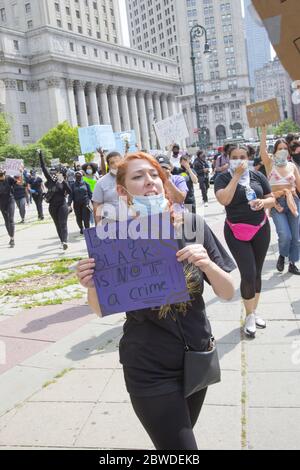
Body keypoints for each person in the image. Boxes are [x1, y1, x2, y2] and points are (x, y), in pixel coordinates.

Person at [76, 152, 236, 450]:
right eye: (138, 177)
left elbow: (228, 293)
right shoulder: (114, 240)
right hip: (148, 366)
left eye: (154, 175)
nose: (149, 182)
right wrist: (91, 285)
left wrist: (208, 265)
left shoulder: (192, 225)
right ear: (122, 193)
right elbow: (99, 310)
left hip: (196, 357)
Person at [215, 145, 276, 338]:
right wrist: (235, 176)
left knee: (257, 273)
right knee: (247, 273)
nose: (239, 159)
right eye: (234, 157)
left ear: (249, 157)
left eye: (242, 156)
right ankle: (248, 316)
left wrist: (263, 203)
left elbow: (272, 199)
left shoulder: (258, 176)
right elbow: (224, 199)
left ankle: (252, 312)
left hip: (260, 228)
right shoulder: (222, 178)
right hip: (235, 231)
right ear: (228, 158)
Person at [260, 126, 300, 275]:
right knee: (285, 235)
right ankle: (282, 255)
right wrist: (263, 132)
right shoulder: (270, 164)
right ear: (275, 151)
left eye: (285, 148)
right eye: (279, 148)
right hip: (277, 204)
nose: (282, 150)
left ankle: (292, 263)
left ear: (288, 151)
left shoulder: (292, 166)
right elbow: (262, 151)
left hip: (293, 202)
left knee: (296, 238)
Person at [39, 150, 72, 250]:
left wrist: (64, 182)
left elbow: (70, 192)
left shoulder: (62, 181)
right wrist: (40, 155)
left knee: (63, 223)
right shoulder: (49, 181)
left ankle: (65, 241)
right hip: (52, 206)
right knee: (57, 225)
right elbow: (44, 168)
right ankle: (62, 241)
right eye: (52, 172)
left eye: (56, 172)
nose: (54, 174)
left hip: (62, 205)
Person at [92, 152, 123, 223]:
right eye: (112, 163)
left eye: (118, 161)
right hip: (111, 222)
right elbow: (96, 206)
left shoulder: (131, 178)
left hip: (132, 221)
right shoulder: (101, 182)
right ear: (108, 165)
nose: (116, 164)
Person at [0, 167, 16, 247]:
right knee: (6, 221)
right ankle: (10, 236)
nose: (1, 176)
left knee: (11, 219)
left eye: (2, 174)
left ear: (4, 173)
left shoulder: (9, 178)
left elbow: (19, 183)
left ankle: (12, 238)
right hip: (2, 203)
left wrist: (21, 173)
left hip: (10, 200)